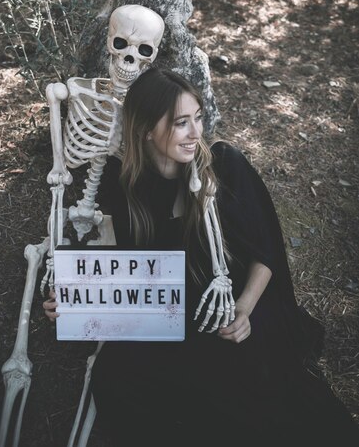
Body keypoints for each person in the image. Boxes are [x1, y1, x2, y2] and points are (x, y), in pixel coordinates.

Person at [44, 67, 359, 447]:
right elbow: (137, 275)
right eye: (180, 123)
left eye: (197, 118)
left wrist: (244, 309)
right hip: (181, 310)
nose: (195, 133)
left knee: (248, 389)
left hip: (236, 304)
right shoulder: (130, 189)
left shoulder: (222, 165)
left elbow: (267, 251)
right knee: (115, 374)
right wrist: (78, 304)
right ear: (146, 128)